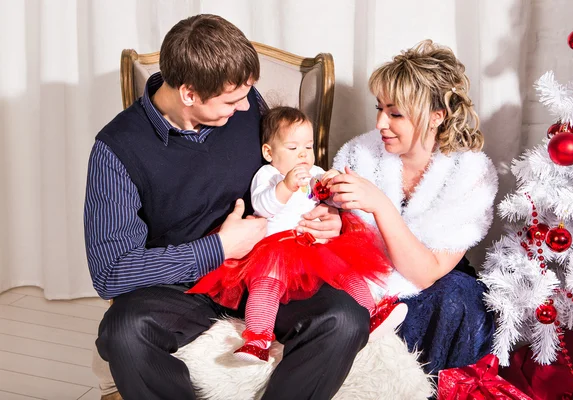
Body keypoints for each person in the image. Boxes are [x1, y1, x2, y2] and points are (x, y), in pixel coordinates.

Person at [84, 15, 368, 400]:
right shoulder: (116, 149)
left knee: (345, 319)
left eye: (246, 96)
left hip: (268, 266)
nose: (244, 108)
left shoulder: (247, 102)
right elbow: (111, 272)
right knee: (123, 331)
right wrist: (218, 248)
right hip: (180, 287)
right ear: (189, 93)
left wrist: (324, 214)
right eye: (231, 101)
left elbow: (285, 171)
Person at [329, 40, 498, 377]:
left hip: (433, 283)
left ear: (437, 116)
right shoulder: (360, 155)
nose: (379, 124)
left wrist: (380, 205)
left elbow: (425, 273)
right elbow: (340, 229)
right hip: (366, 277)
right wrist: (329, 219)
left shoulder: (470, 173)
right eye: (379, 108)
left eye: (395, 114)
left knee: (457, 299)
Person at [187, 106, 407, 362]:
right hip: (277, 247)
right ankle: (257, 339)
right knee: (266, 285)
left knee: (346, 272)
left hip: (314, 245)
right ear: (269, 152)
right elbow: (263, 206)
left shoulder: (313, 173)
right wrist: (286, 185)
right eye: (293, 149)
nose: (303, 155)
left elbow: (331, 203)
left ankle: (372, 313)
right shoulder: (268, 175)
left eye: (308, 147)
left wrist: (331, 185)